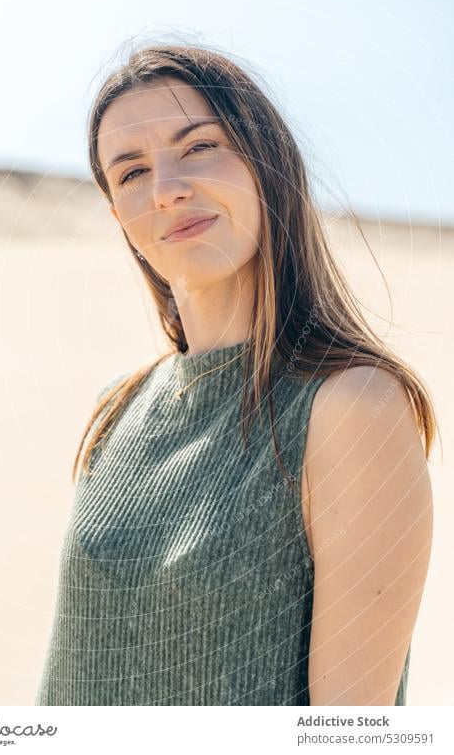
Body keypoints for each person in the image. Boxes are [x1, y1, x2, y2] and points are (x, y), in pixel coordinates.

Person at [35, 43, 436, 706]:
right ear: (119, 218)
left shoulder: (350, 404)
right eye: (131, 172)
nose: (166, 189)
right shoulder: (118, 407)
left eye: (198, 147)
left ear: (266, 162)